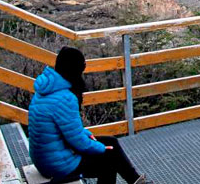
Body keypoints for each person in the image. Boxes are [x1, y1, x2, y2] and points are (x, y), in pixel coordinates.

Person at [28, 47, 150, 184]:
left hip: (45, 157)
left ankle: (136, 181)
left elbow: (69, 131)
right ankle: (136, 182)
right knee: (109, 160)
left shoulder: (46, 89)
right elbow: (78, 142)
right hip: (57, 164)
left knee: (111, 142)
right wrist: (101, 149)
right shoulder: (65, 98)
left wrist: (89, 137)